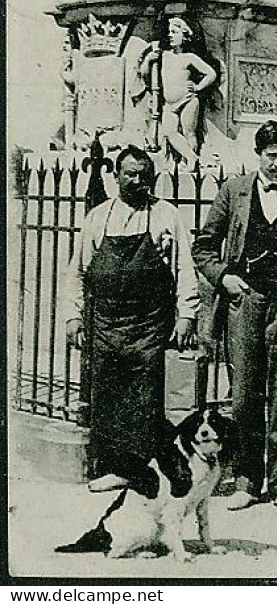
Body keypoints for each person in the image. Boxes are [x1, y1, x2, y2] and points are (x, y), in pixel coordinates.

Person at [191, 120, 277, 514]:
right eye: (271, 156)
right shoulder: (233, 191)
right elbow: (203, 247)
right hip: (245, 304)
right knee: (245, 398)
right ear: (257, 155)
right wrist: (225, 278)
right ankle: (248, 479)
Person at [64, 146, 199, 491]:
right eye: (129, 174)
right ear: (116, 176)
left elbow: (184, 267)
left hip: (149, 324)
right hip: (106, 323)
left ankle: (138, 469)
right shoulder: (98, 217)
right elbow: (78, 272)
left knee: (144, 398)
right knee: (107, 397)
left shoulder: (166, 215)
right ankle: (113, 468)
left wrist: (187, 314)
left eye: (143, 175)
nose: (137, 181)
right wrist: (73, 318)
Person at [137, 17, 218, 169]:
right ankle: (192, 157)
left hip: (187, 100)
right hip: (169, 103)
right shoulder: (164, 55)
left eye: (174, 32)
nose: (170, 35)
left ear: (185, 36)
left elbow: (211, 74)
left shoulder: (189, 58)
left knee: (189, 133)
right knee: (169, 132)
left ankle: (189, 163)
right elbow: (144, 74)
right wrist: (148, 60)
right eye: (169, 32)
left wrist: (198, 87)